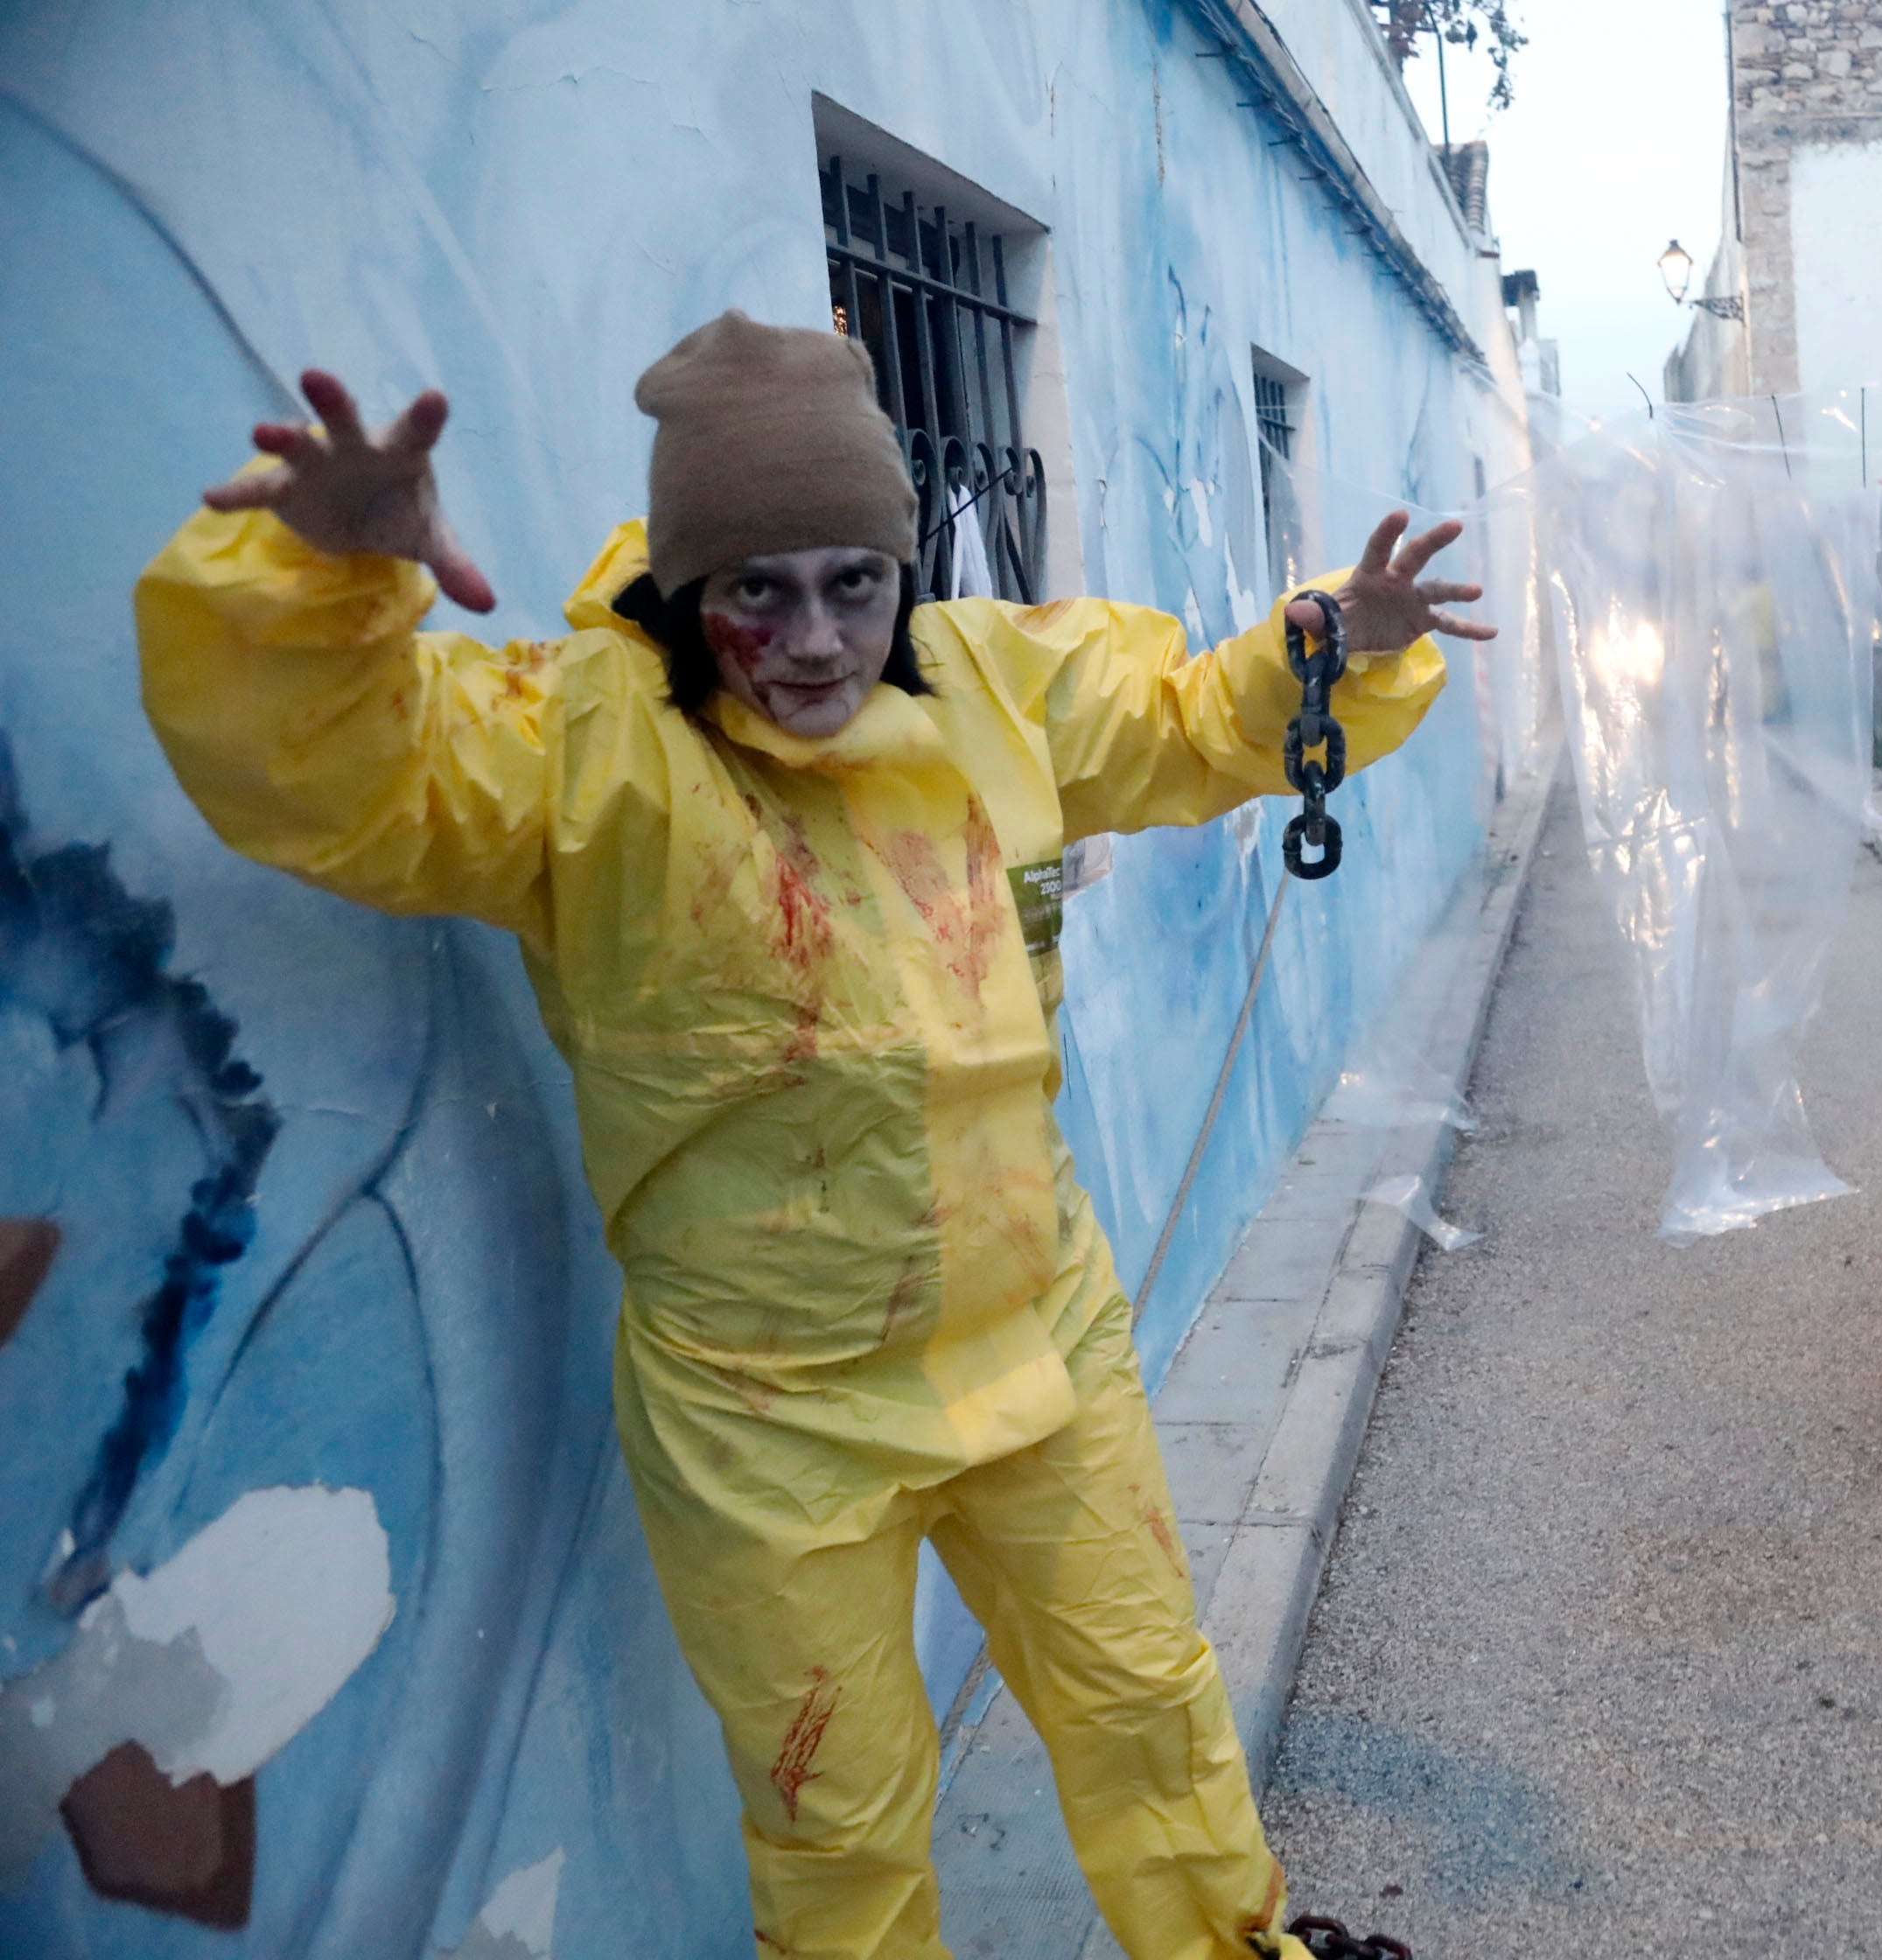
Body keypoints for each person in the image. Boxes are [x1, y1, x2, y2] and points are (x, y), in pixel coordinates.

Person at [134, 314, 1489, 1960]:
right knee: (837, 1820)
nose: (813, 636)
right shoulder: (584, 748)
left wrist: (1325, 643)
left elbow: (1193, 715)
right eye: (755, 587)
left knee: (1148, 1703)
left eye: (857, 579)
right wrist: (322, 581)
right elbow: (336, 767)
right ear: (688, 587)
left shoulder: (992, 684)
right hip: (766, 1421)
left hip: (1035, 1346)